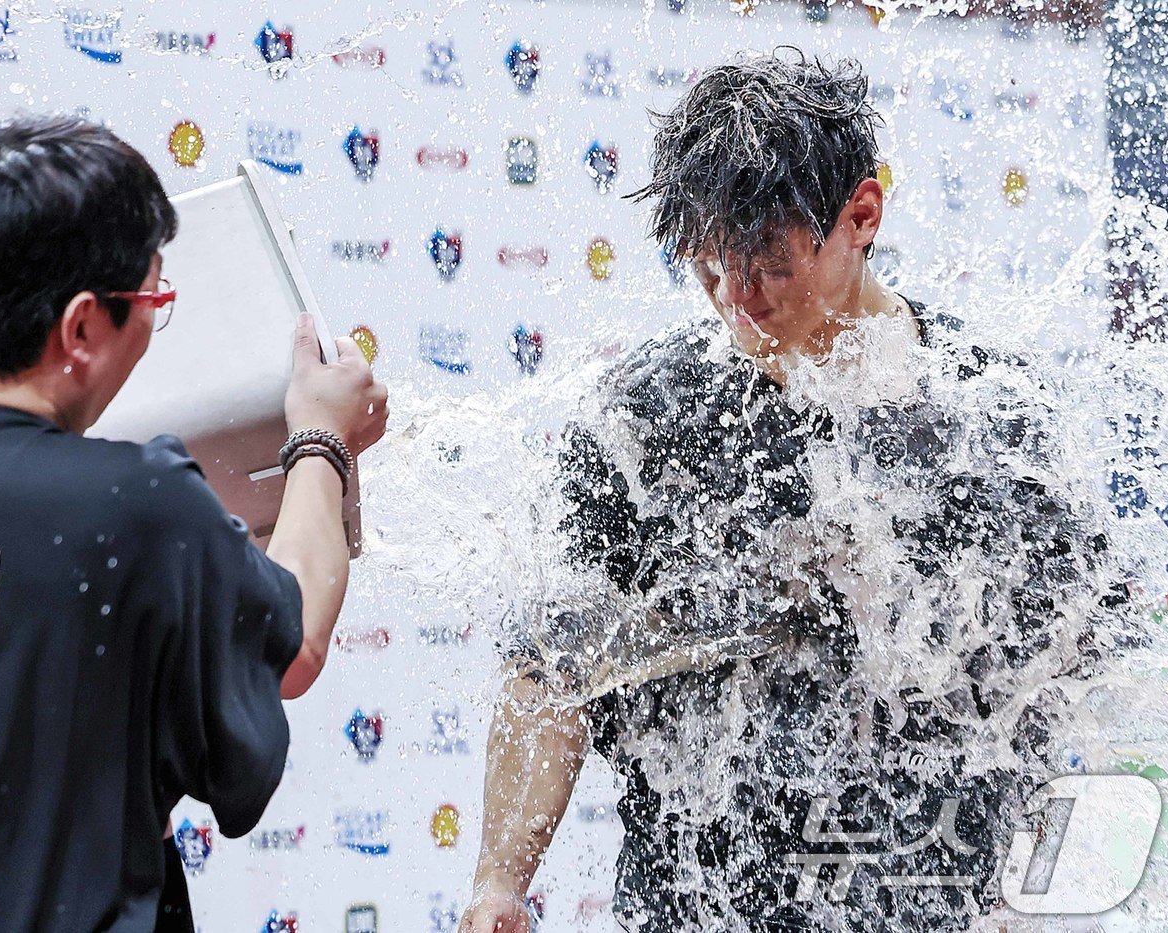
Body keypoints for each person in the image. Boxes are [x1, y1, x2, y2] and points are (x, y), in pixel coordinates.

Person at [460, 50, 1128, 932]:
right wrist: (499, 883)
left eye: (768, 265)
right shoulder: (641, 425)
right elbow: (551, 667)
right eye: (706, 268)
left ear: (862, 214)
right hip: (697, 906)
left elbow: (1067, 686)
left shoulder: (994, 423)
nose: (737, 301)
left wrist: (1029, 894)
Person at [0, 116, 388, 931]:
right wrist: (320, 438)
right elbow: (294, 647)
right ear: (79, 328)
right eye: (151, 303)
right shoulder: (129, 505)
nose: (150, 326)